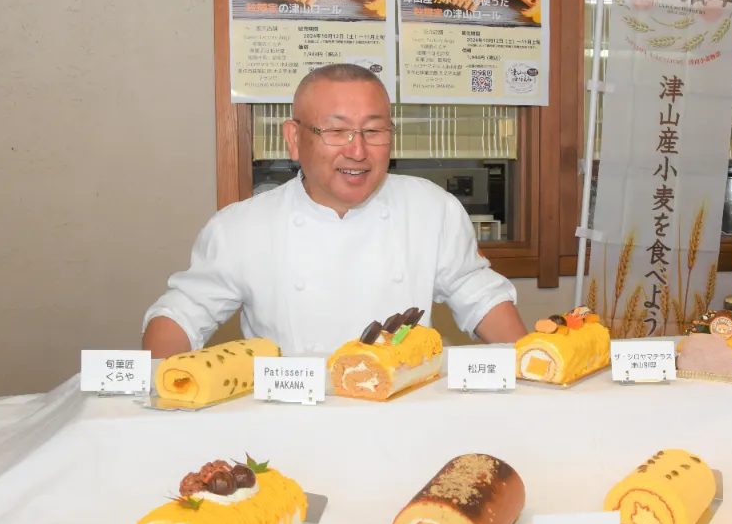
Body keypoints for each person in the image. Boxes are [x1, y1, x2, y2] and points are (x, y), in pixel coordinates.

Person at [142, 63, 528, 358]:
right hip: (290, 422)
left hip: (401, 416)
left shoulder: (431, 209)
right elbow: (182, 315)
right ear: (294, 139)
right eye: (336, 131)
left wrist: (534, 367)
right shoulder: (242, 227)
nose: (357, 151)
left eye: (373, 132)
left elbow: (478, 295)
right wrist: (158, 386)